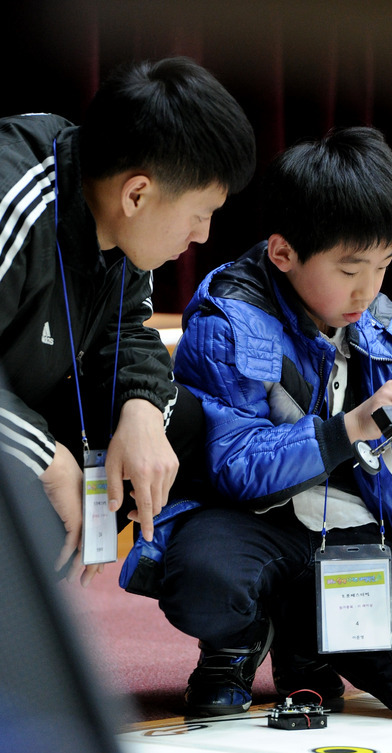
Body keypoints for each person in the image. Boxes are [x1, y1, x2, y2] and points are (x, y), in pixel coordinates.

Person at [160, 126, 392, 720]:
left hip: (347, 530)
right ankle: (233, 645)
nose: (368, 289)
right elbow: (232, 466)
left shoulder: (389, 328)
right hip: (244, 521)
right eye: (350, 268)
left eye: (383, 265)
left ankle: (303, 644)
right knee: (204, 582)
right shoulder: (228, 320)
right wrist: (347, 429)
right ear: (283, 253)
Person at [0, 56, 256, 587]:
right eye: (200, 214)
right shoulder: (14, 200)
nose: (203, 235)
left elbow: (130, 328)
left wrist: (142, 409)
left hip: (22, 403)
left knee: (172, 423)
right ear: (137, 194)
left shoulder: (119, 218)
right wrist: (48, 460)